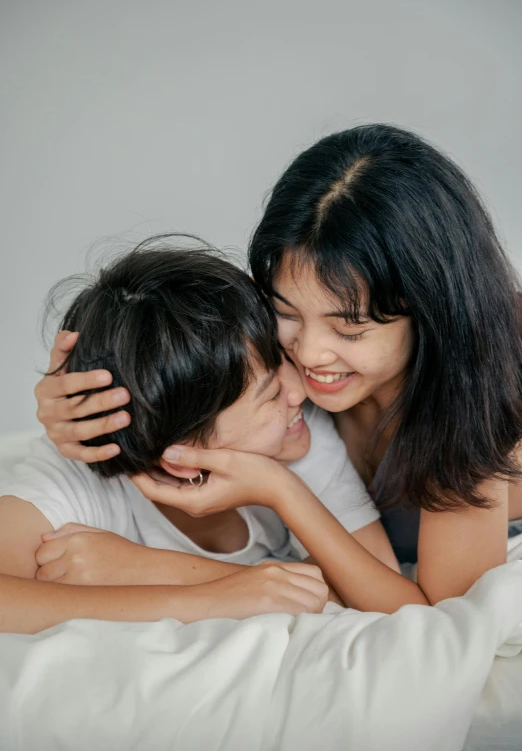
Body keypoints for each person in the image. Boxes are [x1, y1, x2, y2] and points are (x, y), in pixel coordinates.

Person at [41, 125, 522, 611]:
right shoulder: (282, 340)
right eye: (286, 312)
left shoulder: (476, 397)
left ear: (431, 316)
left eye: (350, 329)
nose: (309, 354)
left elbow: (445, 620)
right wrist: (89, 408)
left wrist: (280, 492)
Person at [0, 238, 397, 633]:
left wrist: (147, 568)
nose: (300, 390)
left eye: (282, 361)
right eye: (272, 394)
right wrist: (207, 599)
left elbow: (383, 596)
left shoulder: (297, 434)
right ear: (182, 454)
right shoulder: (79, 475)